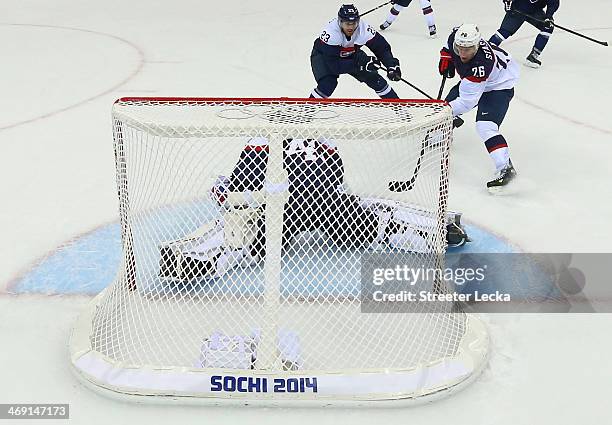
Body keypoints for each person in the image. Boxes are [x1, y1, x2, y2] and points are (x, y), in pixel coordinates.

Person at [159, 136, 469, 281]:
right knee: (375, 217)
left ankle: (194, 259)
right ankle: (436, 229)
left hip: (284, 209)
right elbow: (338, 178)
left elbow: (237, 188)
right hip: (327, 205)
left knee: (242, 228)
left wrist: (222, 190)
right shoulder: (323, 140)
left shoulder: (259, 140)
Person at [438, 24, 520, 192]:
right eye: (459, 48)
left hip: (499, 86)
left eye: (467, 49)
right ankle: (445, 131)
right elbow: (448, 45)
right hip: (480, 80)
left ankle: (505, 168)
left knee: (485, 126)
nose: (462, 53)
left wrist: (440, 112)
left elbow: (467, 102)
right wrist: (446, 57)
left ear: (476, 46)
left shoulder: (480, 65)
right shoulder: (457, 37)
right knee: (449, 103)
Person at [310, 4, 402, 99]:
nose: (351, 27)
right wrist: (362, 64)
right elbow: (335, 67)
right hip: (324, 55)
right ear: (340, 22)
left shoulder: (364, 29)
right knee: (327, 85)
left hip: (351, 53)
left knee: (376, 80)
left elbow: (381, 48)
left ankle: (401, 111)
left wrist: (391, 64)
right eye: (347, 23)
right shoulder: (331, 33)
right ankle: (306, 111)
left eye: (354, 23)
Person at [489, 0, 560, 68]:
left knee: (548, 28)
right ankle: (485, 51)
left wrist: (549, 17)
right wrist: (508, 2)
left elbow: (553, 2)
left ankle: (533, 56)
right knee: (504, 33)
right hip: (518, 8)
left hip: (535, 10)